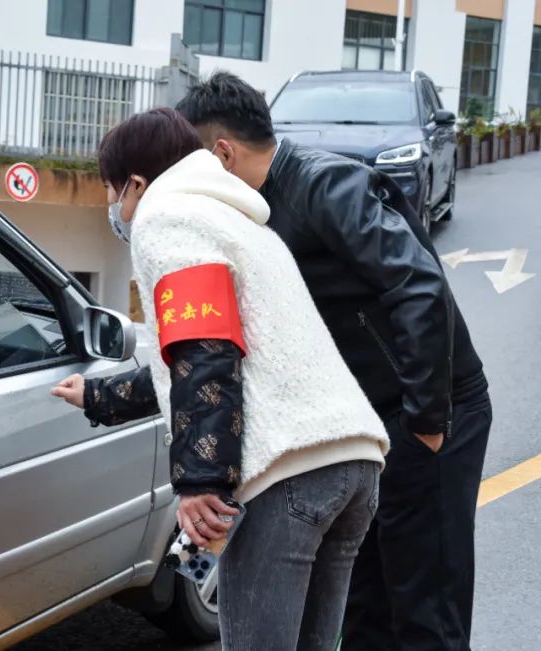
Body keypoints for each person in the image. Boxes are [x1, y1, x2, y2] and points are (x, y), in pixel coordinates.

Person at [172, 73, 491, 651]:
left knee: (424, 603)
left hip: (429, 406)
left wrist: (426, 421)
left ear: (222, 153)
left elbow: (420, 286)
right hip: (366, 425)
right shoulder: (252, 217)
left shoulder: (327, 185)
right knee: (366, 605)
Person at [54, 107, 389, 649]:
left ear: (136, 183)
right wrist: (98, 395)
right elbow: (207, 360)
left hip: (287, 475)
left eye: (112, 190)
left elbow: (204, 352)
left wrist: (200, 484)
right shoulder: (240, 221)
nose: (114, 206)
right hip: (352, 461)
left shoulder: (168, 216)